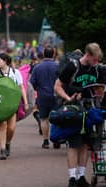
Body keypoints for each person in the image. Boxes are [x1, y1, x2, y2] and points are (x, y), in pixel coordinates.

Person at [54, 43, 103, 187]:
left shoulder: (96, 69)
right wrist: (69, 98)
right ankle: (72, 178)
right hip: (73, 109)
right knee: (73, 144)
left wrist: (99, 94)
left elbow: (98, 88)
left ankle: (81, 176)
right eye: (94, 59)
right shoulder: (72, 66)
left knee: (86, 144)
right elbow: (57, 87)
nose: (96, 63)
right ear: (87, 55)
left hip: (90, 109)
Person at [0, 53, 28, 160]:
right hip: (0, 103)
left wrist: (25, 102)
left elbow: (21, 88)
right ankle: (2, 150)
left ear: (5, 61)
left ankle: (7, 142)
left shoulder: (15, 72)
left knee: (11, 128)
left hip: (13, 103)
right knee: (2, 125)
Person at [30, 46, 59, 149]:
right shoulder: (58, 66)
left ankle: (45, 141)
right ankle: (57, 140)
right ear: (53, 54)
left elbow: (32, 83)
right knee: (57, 118)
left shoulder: (37, 67)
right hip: (56, 95)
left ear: (43, 54)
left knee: (43, 119)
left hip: (42, 96)